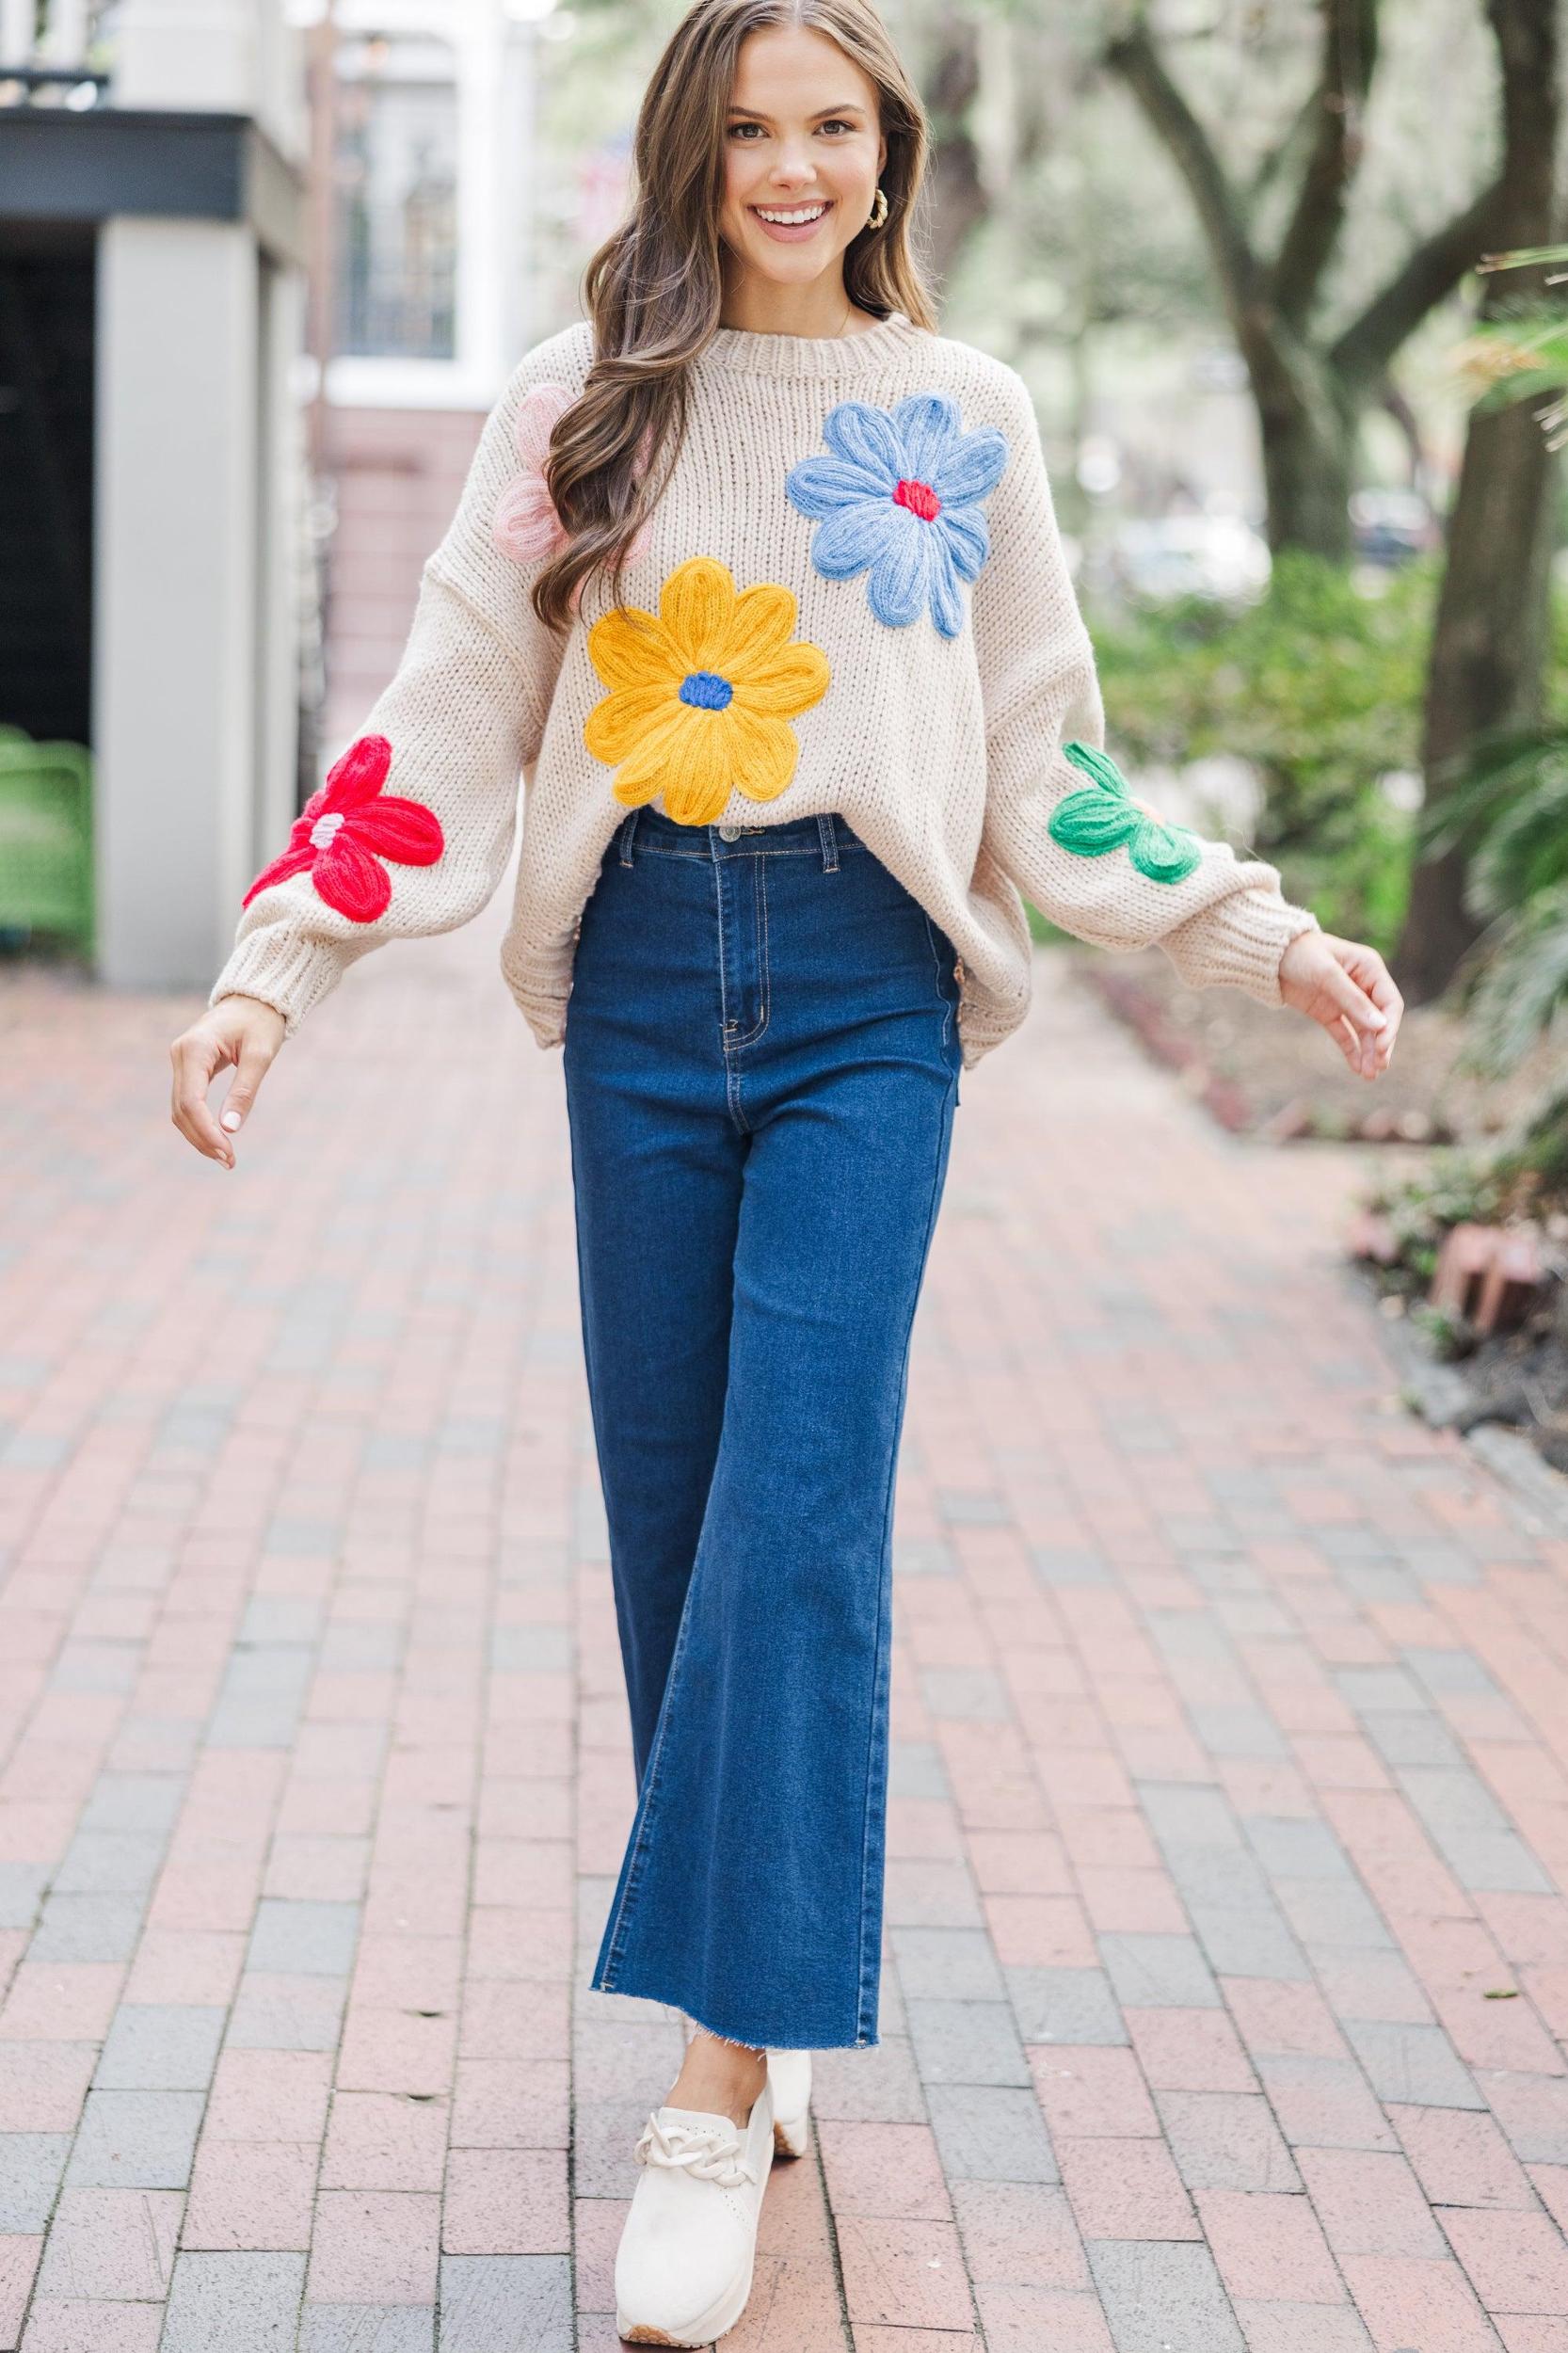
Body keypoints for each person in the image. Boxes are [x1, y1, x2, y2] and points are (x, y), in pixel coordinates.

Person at [169, 1, 1402, 2339]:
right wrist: (277, 963)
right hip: (635, 981)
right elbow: (447, 702)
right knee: (674, 1514)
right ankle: (767, 1967)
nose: (787, 165)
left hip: (863, 997)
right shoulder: (578, 403)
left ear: (888, 151)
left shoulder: (959, 421)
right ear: (686, 146)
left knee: (792, 1513)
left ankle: (714, 2085)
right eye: (745, 126)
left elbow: (1042, 755)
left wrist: (1254, 930)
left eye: (828, 124)